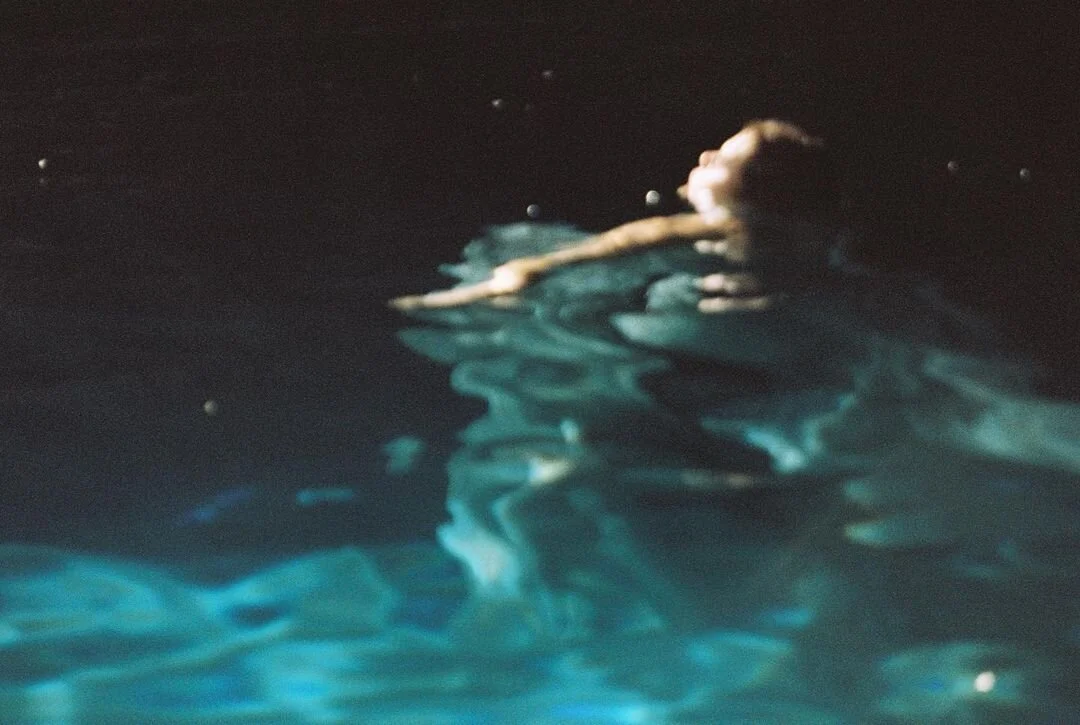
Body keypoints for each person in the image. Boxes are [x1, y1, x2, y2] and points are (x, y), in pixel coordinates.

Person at [390, 119, 839, 312]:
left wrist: (538, 266)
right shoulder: (805, 232)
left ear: (757, 192)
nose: (704, 156)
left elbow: (637, 238)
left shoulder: (725, 224)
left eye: (722, 160)